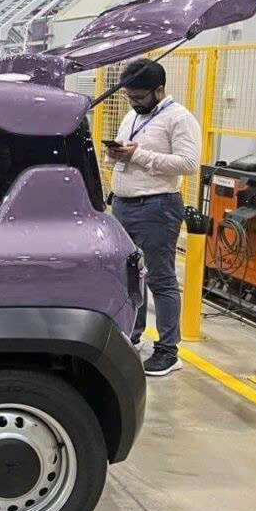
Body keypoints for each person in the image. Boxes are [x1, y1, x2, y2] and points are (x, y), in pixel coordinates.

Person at [105, 59, 200, 377]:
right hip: (124, 204)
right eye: (129, 96)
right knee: (131, 276)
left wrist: (138, 155)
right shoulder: (132, 116)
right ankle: (133, 336)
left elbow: (188, 163)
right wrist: (114, 154)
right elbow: (124, 156)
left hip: (157, 207)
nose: (133, 102)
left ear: (159, 90)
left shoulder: (179, 118)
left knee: (160, 279)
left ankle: (168, 351)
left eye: (139, 96)